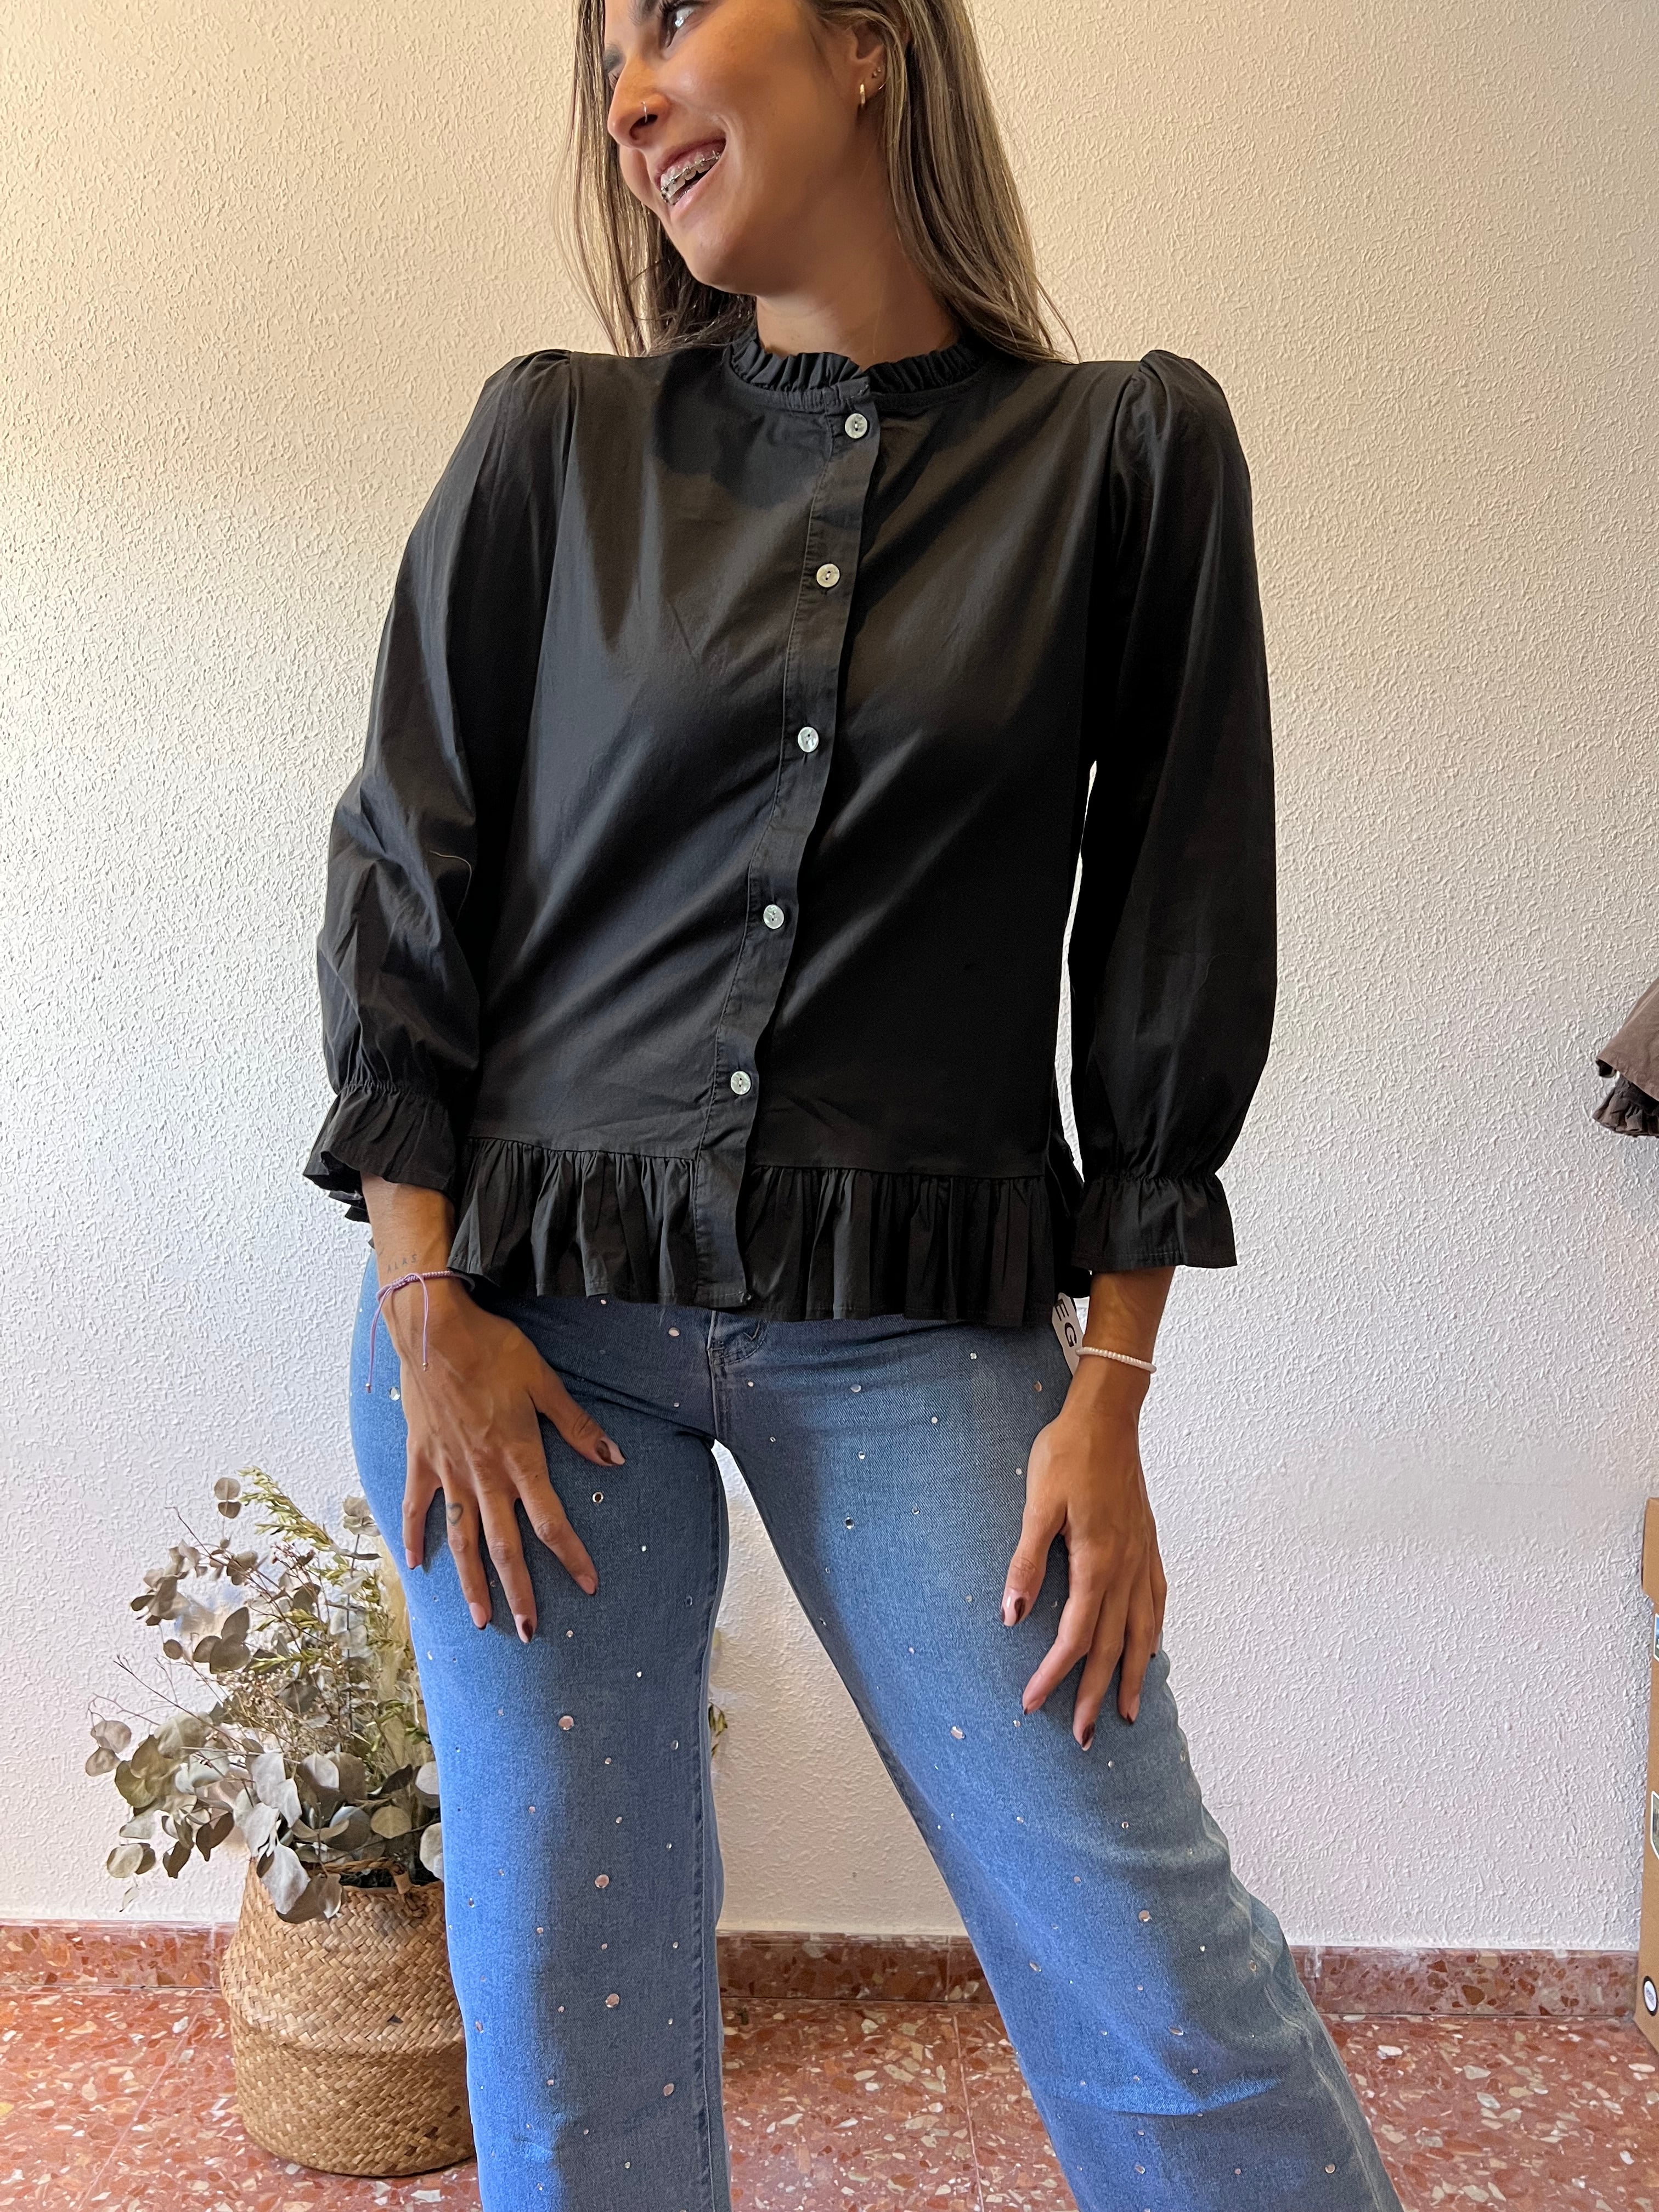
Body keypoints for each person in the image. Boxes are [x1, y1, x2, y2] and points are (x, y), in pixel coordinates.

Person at [303, 2, 1405, 2206]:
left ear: (873, 46)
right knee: (572, 2001)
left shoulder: (1126, 457)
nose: (629, 95)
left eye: (675, 18)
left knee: (1148, 1959)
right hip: (523, 1320)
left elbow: (1174, 935)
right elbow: (409, 873)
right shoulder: (553, 446)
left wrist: (1109, 1392)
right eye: (604, 54)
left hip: (916, 1325)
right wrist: (425, 1307)